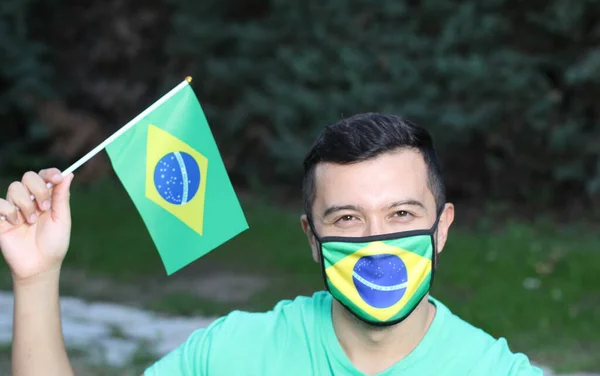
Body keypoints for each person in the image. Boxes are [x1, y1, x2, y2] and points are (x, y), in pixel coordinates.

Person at [0, 113, 543, 376]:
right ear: (313, 237)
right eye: (347, 218)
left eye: (401, 213)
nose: (377, 241)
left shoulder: (497, 373)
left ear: (442, 226)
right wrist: (36, 276)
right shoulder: (232, 354)